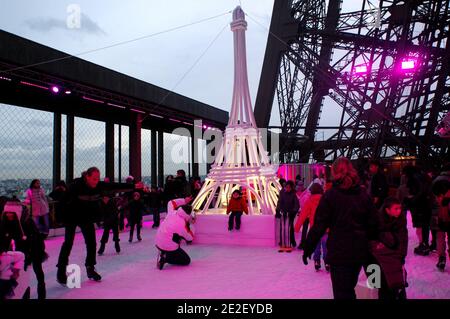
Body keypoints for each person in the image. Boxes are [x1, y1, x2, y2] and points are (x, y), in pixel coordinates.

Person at [302, 157, 377, 299]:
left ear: (334, 172)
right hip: (361, 252)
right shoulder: (363, 195)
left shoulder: (330, 196)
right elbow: (374, 224)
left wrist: (308, 247)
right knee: (361, 289)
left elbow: (319, 225)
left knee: (343, 293)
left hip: (340, 253)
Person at [56, 167, 135, 285]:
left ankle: (90, 268)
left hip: (85, 217)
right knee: (68, 242)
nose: (96, 181)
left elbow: (113, 186)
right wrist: (61, 219)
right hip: (71, 216)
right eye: (93, 179)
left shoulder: (98, 185)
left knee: (91, 242)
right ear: (87, 176)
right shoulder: (75, 186)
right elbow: (62, 202)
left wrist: (133, 186)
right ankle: (61, 271)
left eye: (98, 179)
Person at [0, 200, 48, 299]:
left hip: (34, 249)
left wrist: (29, 255)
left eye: (11, 212)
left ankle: (42, 294)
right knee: (22, 276)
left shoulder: (27, 222)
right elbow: (5, 239)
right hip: (20, 251)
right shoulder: (7, 223)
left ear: (16, 212)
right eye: (7, 212)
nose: (9, 215)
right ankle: (25, 294)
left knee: (38, 271)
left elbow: (36, 239)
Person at [369, 197, 408, 300]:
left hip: (396, 258)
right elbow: (372, 239)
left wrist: (402, 256)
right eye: (396, 208)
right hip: (381, 260)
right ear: (387, 210)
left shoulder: (401, 220)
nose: (399, 211)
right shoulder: (377, 221)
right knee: (383, 286)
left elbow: (403, 240)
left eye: (400, 208)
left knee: (398, 285)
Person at [294, 183, 327, 271]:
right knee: (325, 245)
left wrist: (297, 227)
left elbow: (303, 214)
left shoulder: (310, 200)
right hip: (325, 227)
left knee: (316, 245)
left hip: (315, 228)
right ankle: (327, 262)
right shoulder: (325, 199)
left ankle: (316, 261)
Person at [403, 166, 433, 256]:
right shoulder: (424, 177)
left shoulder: (413, 179)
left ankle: (423, 245)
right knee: (425, 225)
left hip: (418, 206)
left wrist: (411, 200)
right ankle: (425, 243)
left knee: (420, 225)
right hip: (426, 205)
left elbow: (417, 192)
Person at [155, 205, 193, 270]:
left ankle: (165, 253)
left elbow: (171, 202)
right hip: (168, 246)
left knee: (174, 235)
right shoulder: (182, 224)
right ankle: (165, 258)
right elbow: (190, 238)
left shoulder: (172, 212)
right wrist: (191, 224)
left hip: (158, 242)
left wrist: (184, 200)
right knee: (186, 260)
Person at [276, 180, 299, 252]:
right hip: (284, 212)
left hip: (291, 212)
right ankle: (282, 241)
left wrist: (294, 211)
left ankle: (291, 241)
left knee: (289, 228)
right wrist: (278, 210)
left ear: (291, 188)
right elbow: (280, 201)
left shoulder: (293, 194)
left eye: (289, 187)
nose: (288, 189)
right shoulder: (282, 193)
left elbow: (296, 204)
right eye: (286, 187)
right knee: (282, 227)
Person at [431, 179, 450, 271]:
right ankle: (441, 258)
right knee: (440, 238)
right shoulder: (439, 194)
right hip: (440, 220)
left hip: (443, 220)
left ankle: (442, 258)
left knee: (440, 238)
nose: (438, 198)